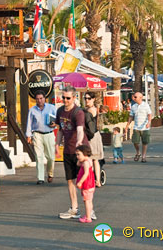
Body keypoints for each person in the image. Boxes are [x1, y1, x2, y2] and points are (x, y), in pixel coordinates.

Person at [57, 86, 89, 220]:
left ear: (74, 97)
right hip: (67, 150)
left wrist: (79, 142)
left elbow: (80, 129)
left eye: (68, 98)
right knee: (70, 180)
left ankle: (88, 209)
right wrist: (56, 144)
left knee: (84, 181)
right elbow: (60, 130)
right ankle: (74, 208)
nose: (65, 100)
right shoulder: (59, 111)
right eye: (63, 97)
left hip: (80, 152)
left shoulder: (78, 112)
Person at [26, 91, 57, 185]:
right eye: (37, 99)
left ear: (45, 98)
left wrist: (55, 124)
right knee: (39, 157)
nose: (39, 100)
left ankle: (50, 173)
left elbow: (58, 120)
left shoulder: (52, 108)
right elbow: (29, 123)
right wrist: (28, 135)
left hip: (49, 133)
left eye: (41, 98)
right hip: (37, 134)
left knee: (50, 157)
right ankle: (40, 178)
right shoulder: (32, 110)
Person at [83, 92, 104, 187]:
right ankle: (92, 180)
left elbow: (86, 118)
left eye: (89, 98)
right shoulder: (86, 109)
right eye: (85, 98)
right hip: (88, 135)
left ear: (93, 99)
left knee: (94, 159)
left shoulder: (92, 110)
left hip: (93, 136)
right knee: (90, 159)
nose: (87, 100)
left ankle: (97, 181)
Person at [124, 92, 152, 163]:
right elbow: (131, 116)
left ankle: (143, 156)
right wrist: (127, 126)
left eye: (135, 97)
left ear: (140, 98)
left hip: (145, 127)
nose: (134, 98)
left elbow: (149, 114)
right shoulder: (133, 106)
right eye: (134, 96)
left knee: (145, 142)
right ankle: (138, 152)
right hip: (136, 127)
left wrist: (149, 122)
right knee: (135, 141)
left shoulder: (146, 105)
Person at [75, 144, 96, 223]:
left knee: (86, 201)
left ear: (85, 154)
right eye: (76, 155)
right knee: (89, 200)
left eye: (78, 154)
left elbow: (86, 173)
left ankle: (88, 217)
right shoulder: (88, 160)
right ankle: (88, 215)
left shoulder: (85, 163)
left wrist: (80, 182)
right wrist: (80, 159)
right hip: (91, 184)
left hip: (86, 185)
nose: (77, 156)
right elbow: (78, 164)